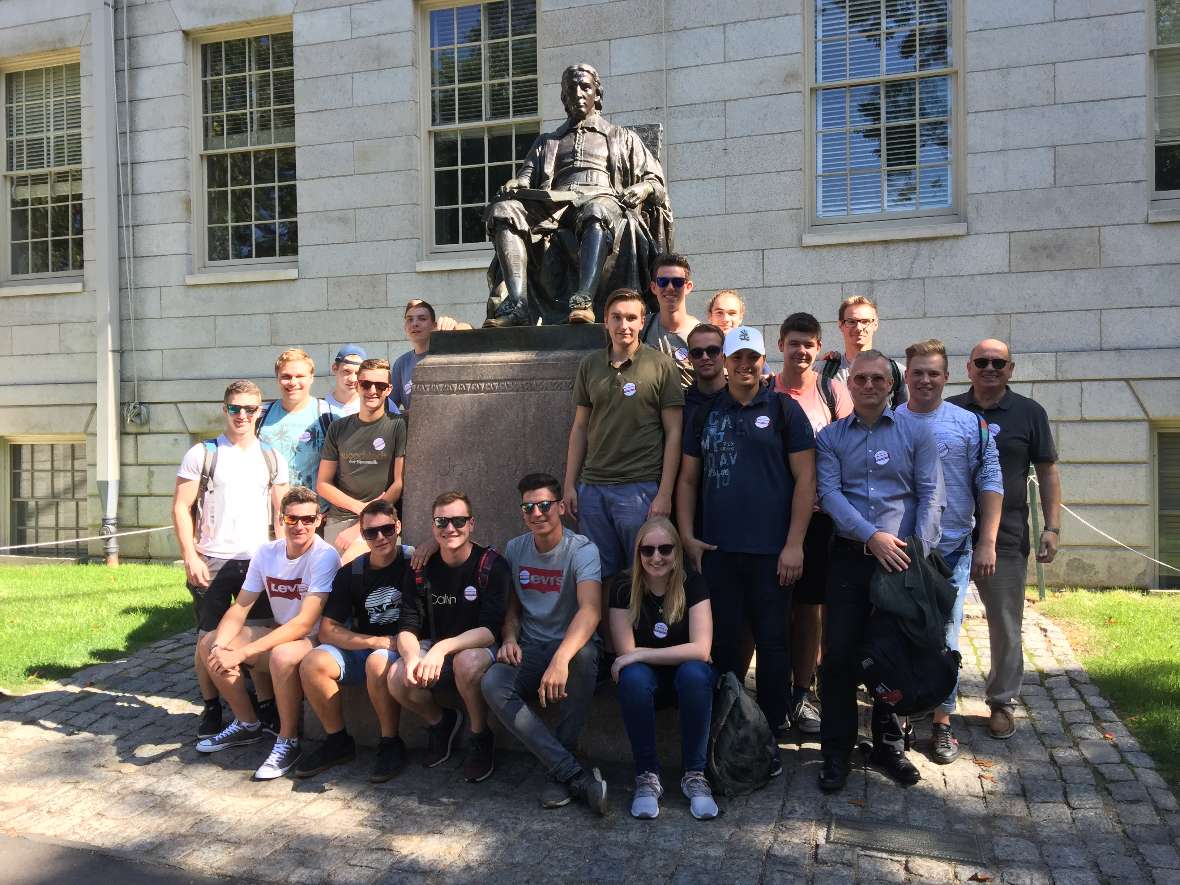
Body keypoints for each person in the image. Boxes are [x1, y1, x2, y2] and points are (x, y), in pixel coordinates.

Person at [676, 326, 816, 751]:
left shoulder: (783, 410)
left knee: (774, 643)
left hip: (772, 553)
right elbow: (686, 480)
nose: (743, 365)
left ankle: (772, 727)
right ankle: (728, 723)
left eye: (751, 357)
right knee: (725, 643)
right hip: (719, 551)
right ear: (724, 361)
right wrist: (686, 536)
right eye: (736, 357)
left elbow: (806, 479)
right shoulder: (705, 412)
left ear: (762, 361)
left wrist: (794, 543)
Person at [815, 350, 943, 792]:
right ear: (849, 384)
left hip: (903, 563)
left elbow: (931, 493)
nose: (869, 386)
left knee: (895, 655)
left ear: (892, 384)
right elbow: (830, 495)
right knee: (840, 656)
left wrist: (917, 551)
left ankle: (889, 747)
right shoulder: (830, 438)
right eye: (861, 379)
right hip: (852, 557)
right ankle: (836, 752)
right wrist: (871, 536)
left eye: (878, 379)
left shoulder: (916, 433)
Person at [483, 63, 670, 327]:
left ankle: (584, 301)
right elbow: (526, 177)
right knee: (503, 211)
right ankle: (518, 304)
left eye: (585, 87)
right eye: (571, 88)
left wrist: (644, 188)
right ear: (563, 97)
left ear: (597, 94)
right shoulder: (547, 142)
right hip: (554, 204)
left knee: (597, 210)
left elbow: (656, 184)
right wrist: (516, 183)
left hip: (602, 198)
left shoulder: (622, 137)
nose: (578, 93)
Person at [897, 339, 1003, 763]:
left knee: (946, 634)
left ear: (946, 376)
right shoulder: (887, 422)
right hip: (904, 552)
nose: (925, 379)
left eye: (933, 372)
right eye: (918, 372)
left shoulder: (968, 424)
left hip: (955, 549)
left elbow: (991, 482)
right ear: (906, 376)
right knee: (902, 631)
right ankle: (903, 713)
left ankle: (942, 720)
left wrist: (987, 542)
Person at [949, 338, 1060, 740]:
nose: (990, 368)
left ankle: (1001, 702)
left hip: (1008, 537)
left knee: (1005, 624)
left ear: (1010, 369)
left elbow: (1047, 471)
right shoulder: (951, 410)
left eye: (999, 362)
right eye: (982, 361)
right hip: (952, 534)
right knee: (940, 621)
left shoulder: (1030, 413)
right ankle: (933, 696)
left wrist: (1052, 527)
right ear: (969, 367)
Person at [480, 473, 607, 814]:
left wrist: (561, 659)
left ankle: (560, 767)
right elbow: (513, 608)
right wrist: (508, 637)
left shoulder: (582, 550)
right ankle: (568, 770)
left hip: (573, 646)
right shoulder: (516, 548)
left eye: (545, 505)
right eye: (528, 507)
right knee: (493, 681)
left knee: (585, 657)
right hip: (531, 648)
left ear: (561, 507)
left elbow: (591, 610)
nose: (537, 513)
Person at [195, 486, 341, 780]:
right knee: (209, 641)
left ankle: (288, 741)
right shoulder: (266, 552)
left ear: (319, 521)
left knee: (282, 655)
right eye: (292, 519)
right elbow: (241, 607)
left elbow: (304, 623)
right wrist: (221, 647)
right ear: (281, 519)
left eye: (308, 519)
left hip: (314, 638)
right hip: (280, 631)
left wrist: (243, 652)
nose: (300, 526)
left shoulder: (324, 556)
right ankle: (248, 724)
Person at [172, 380, 289, 738]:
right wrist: (190, 555)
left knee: (259, 633)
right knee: (209, 637)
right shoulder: (203, 453)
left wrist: (282, 559)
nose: (242, 415)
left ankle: (265, 706)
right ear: (224, 409)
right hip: (213, 559)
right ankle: (211, 707)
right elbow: (181, 506)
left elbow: (281, 514)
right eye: (235, 408)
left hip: (257, 560)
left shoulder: (272, 457)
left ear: (259, 412)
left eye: (249, 409)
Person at [564, 287, 683, 598]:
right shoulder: (590, 365)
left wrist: (665, 493)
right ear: (605, 321)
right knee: (598, 577)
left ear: (643, 321)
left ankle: (641, 644)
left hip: (640, 489)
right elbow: (579, 428)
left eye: (631, 318)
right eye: (616, 317)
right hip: (593, 490)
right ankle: (607, 646)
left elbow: (674, 432)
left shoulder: (661, 365)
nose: (623, 325)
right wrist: (569, 484)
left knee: (644, 574)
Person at [389, 491, 510, 783]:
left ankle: (479, 735)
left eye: (458, 521)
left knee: (465, 663)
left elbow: (489, 630)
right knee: (396, 675)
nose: (450, 528)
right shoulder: (420, 567)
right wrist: (411, 657)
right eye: (442, 522)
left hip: (476, 646)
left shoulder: (492, 565)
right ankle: (440, 722)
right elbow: (407, 624)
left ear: (472, 524)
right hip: (434, 645)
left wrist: (442, 649)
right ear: (433, 526)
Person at [292, 499, 412, 780]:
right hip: (367, 645)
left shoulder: (415, 561)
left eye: (386, 530)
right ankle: (338, 741)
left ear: (398, 527)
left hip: (402, 649)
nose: (380, 537)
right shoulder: (352, 573)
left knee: (378, 663)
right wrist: (373, 642)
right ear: (363, 534)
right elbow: (327, 630)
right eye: (371, 533)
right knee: (313, 662)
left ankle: (390, 742)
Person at [774, 312, 853, 736]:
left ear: (818, 349)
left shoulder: (833, 392)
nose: (801, 351)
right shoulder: (767, 389)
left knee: (808, 610)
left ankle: (801, 691)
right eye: (794, 343)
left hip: (819, 518)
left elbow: (849, 450)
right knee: (770, 611)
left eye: (809, 345)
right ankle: (772, 688)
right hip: (771, 516)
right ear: (780, 345)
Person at [609, 517, 716, 821]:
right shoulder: (622, 585)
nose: (656, 557)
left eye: (665, 549)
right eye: (648, 550)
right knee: (632, 677)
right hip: (646, 680)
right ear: (638, 553)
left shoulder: (692, 582)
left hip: (687, 678)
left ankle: (694, 775)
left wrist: (641, 653)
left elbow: (701, 649)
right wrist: (635, 657)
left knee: (695, 672)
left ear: (677, 552)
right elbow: (624, 654)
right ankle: (646, 776)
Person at [317, 358, 407, 563]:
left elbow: (399, 483)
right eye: (366, 384)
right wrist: (361, 509)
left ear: (389, 389)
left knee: (357, 572)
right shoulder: (338, 428)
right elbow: (323, 484)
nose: (372, 390)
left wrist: (365, 520)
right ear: (357, 385)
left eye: (380, 385)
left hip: (382, 518)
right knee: (337, 580)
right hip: (341, 517)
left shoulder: (398, 425)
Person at [257, 348, 334, 493]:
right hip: (269, 510)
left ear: (311, 378)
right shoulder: (259, 415)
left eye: (300, 376)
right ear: (277, 378)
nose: (293, 382)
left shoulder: (329, 415)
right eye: (286, 376)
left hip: (315, 512)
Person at [819, 295, 907, 409]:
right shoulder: (823, 371)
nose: (859, 328)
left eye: (865, 321)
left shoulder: (897, 371)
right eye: (851, 321)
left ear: (875, 324)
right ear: (840, 325)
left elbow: (908, 419)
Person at [390, 299, 471, 414]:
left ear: (434, 325)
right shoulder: (401, 363)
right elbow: (390, 407)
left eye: (422, 318)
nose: (415, 323)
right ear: (405, 327)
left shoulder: (449, 353)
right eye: (410, 319)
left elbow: (473, 339)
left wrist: (457, 326)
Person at [641, 253, 699, 388]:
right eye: (663, 282)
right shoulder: (641, 327)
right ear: (654, 287)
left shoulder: (701, 334)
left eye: (677, 282)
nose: (670, 287)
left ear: (688, 287)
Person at [683, 323, 727, 438]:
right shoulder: (682, 404)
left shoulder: (739, 397)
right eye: (697, 353)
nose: (705, 357)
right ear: (690, 358)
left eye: (712, 350)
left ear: (723, 354)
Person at [325, 344, 367, 418]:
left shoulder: (379, 405)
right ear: (335, 368)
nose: (353, 379)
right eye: (346, 371)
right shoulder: (319, 409)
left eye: (358, 373)